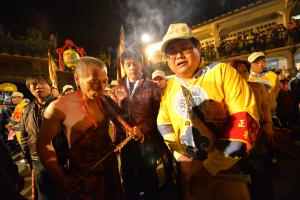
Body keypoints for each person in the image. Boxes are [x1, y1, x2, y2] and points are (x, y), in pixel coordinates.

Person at [157, 23, 259, 200]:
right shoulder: (170, 86)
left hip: (227, 172)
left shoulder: (222, 72)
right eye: (172, 52)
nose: (178, 55)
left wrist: (210, 166)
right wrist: (180, 155)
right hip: (190, 174)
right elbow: (164, 123)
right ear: (166, 59)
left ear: (197, 47)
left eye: (184, 48)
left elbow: (245, 120)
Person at [37, 57, 143, 200]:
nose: (101, 88)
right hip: (83, 177)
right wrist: (58, 176)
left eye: (104, 81)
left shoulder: (104, 101)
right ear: (77, 79)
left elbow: (123, 123)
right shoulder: (59, 107)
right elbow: (43, 143)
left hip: (110, 171)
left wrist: (133, 130)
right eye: (93, 82)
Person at [110, 50, 169, 200]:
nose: (131, 68)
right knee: (128, 178)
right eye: (128, 64)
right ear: (123, 66)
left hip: (147, 141)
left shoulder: (152, 86)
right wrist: (121, 135)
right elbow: (115, 115)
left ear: (141, 65)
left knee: (149, 176)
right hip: (126, 142)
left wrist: (142, 130)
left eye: (135, 63)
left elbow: (160, 114)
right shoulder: (118, 87)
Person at [19, 75, 57, 200]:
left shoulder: (61, 105)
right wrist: (27, 158)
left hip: (59, 158)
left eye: (42, 83)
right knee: (44, 195)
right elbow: (24, 136)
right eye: (34, 85)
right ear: (30, 89)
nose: (38, 87)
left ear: (50, 87)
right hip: (37, 159)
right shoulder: (27, 109)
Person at [247, 52, 280, 116]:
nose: (260, 65)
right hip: (255, 113)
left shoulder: (273, 75)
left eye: (263, 62)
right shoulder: (246, 78)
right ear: (250, 64)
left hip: (272, 112)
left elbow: (275, 93)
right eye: (256, 63)